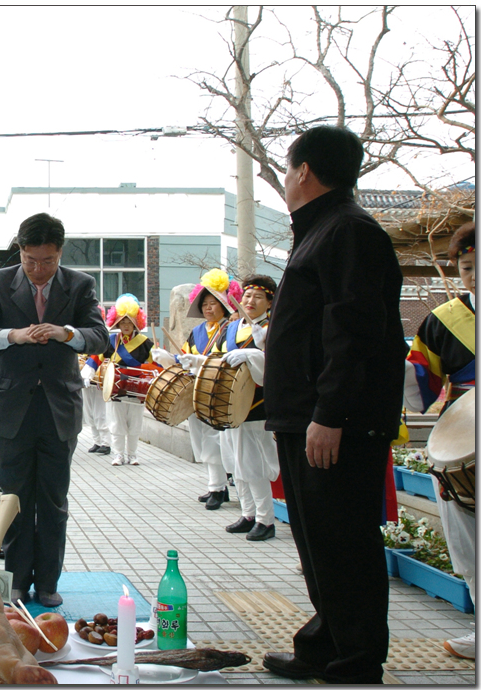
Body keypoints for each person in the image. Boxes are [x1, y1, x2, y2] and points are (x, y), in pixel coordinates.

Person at [262, 126, 405, 684]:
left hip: (333, 422)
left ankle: (356, 657)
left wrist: (330, 414)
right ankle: (328, 644)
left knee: (344, 540)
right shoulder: (323, 230)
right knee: (320, 540)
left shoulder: (348, 230)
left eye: (287, 167)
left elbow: (355, 334)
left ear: (303, 171)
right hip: (306, 416)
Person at [0, 213, 109, 607]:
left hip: (58, 409)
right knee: (13, 498)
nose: (39, 270)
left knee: (52, 500)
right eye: (30, 261)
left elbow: (100, 337)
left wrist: (68, 334)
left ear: (60, 252)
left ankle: (47, 582)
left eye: (48, 261)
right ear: (20, 251)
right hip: (11, 407)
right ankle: (14, 579)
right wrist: (12, 336)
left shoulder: (80, 285)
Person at [404, 220, 475, 660]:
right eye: (468, 267)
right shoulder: (444, 320)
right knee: (467, 540)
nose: (475, 275)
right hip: (461, 442)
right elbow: (418, 384)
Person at [157, 269, 242, 510]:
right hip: (196, 390)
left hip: (219, 392)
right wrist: (168, 358)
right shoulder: (196, 332)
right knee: (202, 441)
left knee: (216, 442)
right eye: (204, 304)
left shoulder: (229, 329)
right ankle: (215, 485)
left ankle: (219, 487)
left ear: (224, 305)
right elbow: (185, 356)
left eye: (213, 303)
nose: (208, 308)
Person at [217, 275, 278, 541]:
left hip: (256, 406)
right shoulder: (230, 328)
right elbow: (217, 360)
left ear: (269, 302)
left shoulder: (273, 327)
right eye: (247, 296)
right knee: (236, 462)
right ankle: (248, 513)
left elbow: (279, 367)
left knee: (254, 464)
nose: (250, 301)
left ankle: (266, 520)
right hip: (230, 406)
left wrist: (256, 352)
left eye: (258, 297)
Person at [84, 295, 159, 466]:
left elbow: (156, 364)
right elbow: (96, 357)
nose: (126, 326)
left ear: (135, 323)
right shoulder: (111, 341)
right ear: (117, 323)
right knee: (116, 424)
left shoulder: (145, 343)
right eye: (122, 323)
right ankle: (118, 454)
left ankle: (132, 454)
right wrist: (88, 372)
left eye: (129, 322)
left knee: (134, 424)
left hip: (137, 388)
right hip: (115, 388)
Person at [79, 306, 111, 456]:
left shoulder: (103, 336)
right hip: (84, 380)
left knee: (100, 413)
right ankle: (96, 441)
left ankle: (106, 442)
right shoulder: (81, 334)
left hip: (98, 380)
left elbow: (102, 356)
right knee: (89, 412)